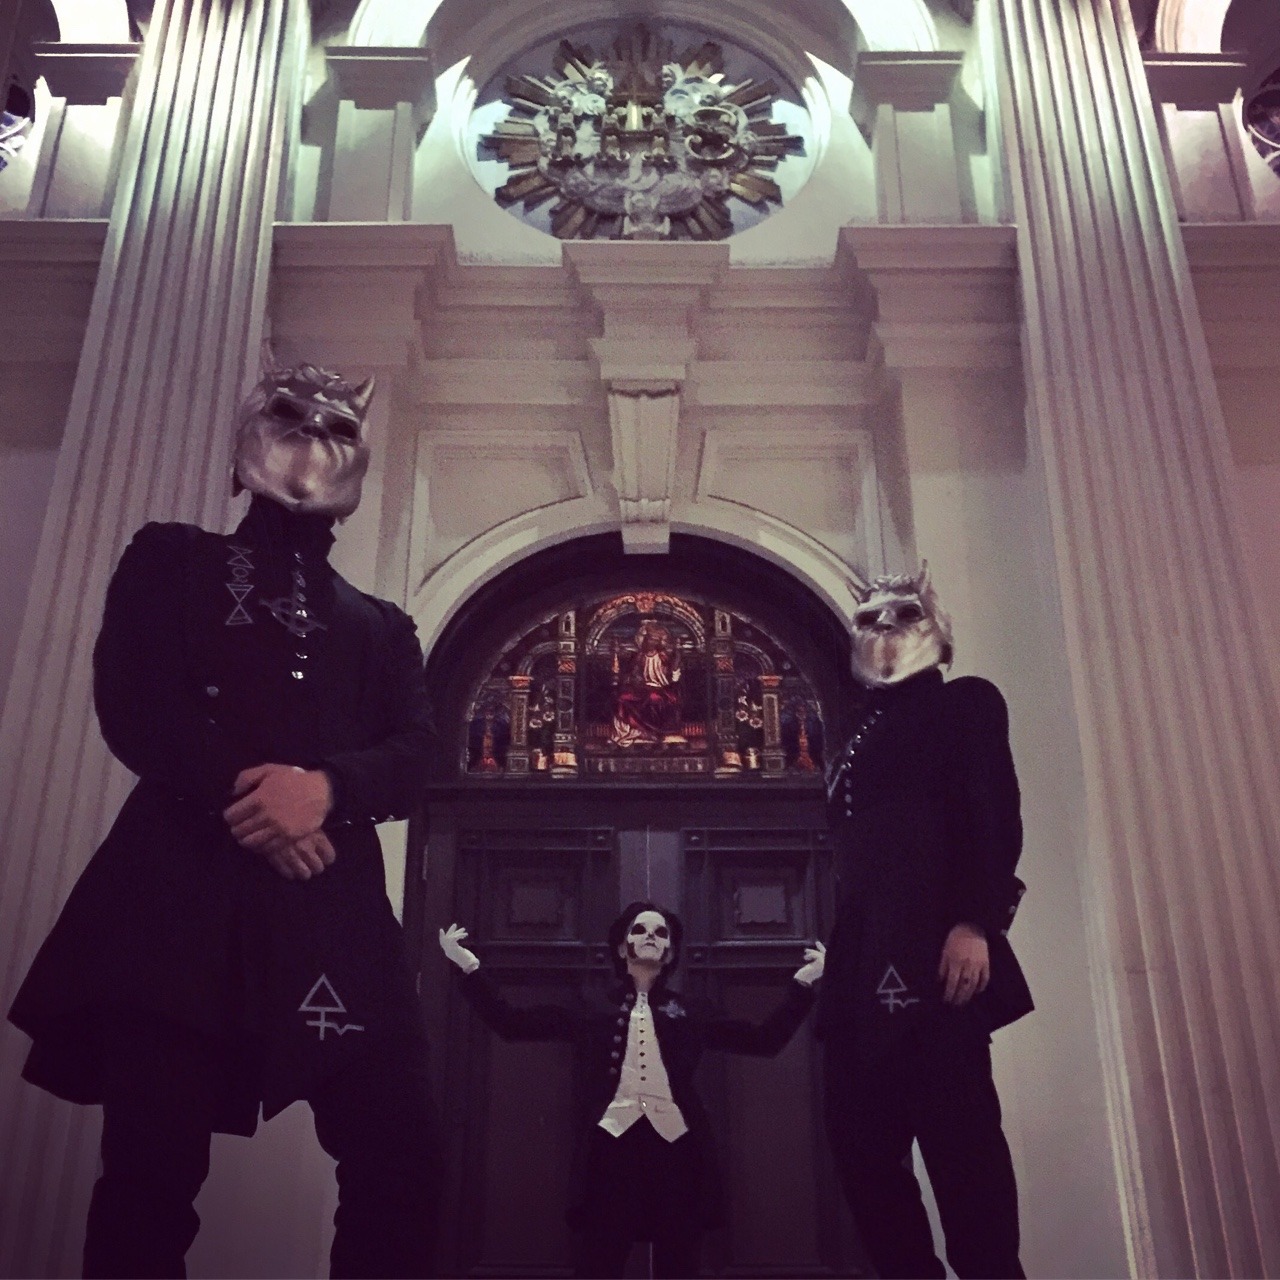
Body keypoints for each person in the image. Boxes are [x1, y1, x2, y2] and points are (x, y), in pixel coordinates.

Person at [8, 358, 441, 1279]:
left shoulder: (383, 626)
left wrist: (324, 791)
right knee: (149, 1183)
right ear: (244, 443)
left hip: (334, 920)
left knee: (403, 1157)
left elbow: (417, 760)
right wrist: (259, 804)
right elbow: (137, 705)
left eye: (338, 427)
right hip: (179, 906)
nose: (314, 437)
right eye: (290, 416)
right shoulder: (169, 558)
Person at [819, 567, 1033, 1280]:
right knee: (859, 1149)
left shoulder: (966, 702)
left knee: (965, 1160)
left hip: (937, 960)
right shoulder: (855, 732)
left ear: (938, 632)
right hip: (859, 972)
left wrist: (975, 922)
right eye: (869, 617)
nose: (884, 625)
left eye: (904, 613)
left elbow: (993, 813)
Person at [439, 902, 824, 1278]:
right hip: (611, 1150)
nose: (651, 936)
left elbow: (763, 1040)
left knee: (680, 1260)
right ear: (623, 948)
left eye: (660, 933)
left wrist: (804, 984)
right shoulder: (590, 1007)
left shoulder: (691, 1010)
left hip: (676, 1149)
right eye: (639, 930)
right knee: (599, 1259)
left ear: (669, 951)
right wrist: (469, 968)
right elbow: (513, 1024)